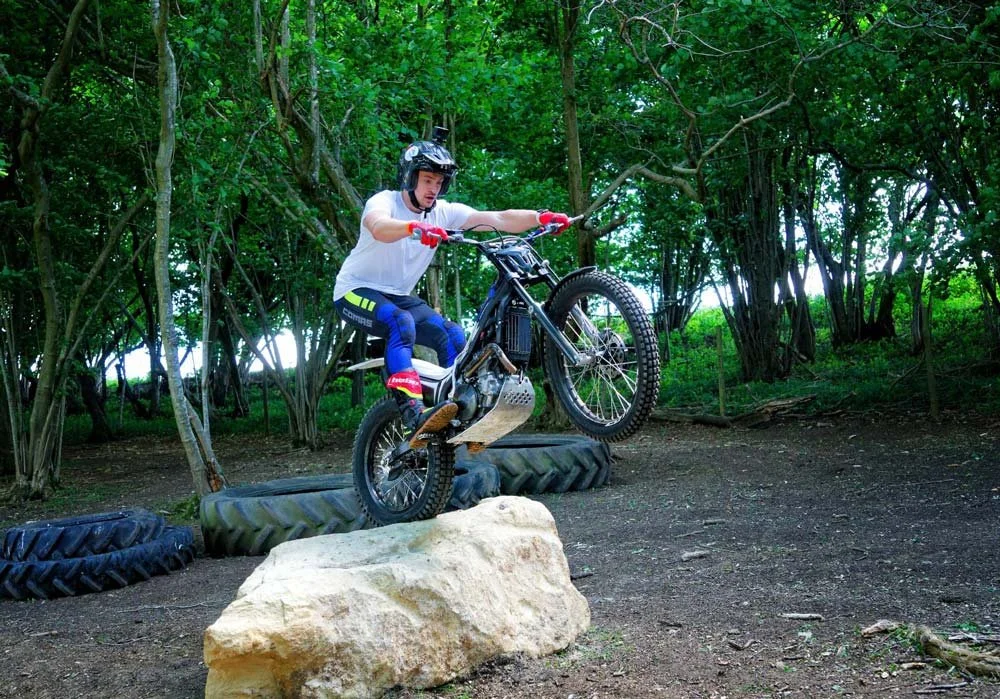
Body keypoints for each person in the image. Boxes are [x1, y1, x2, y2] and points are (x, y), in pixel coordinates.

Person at [334, 129, 570, 448]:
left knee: (454, 336)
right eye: (427, 180)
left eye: (439, 182)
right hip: (354, 291)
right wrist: (413, 227)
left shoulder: (443, 212)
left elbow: (498, 219)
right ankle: (412, 411)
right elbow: (378, 226)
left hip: (399, 296)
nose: (434, 188)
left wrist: (541, 218)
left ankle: (458, 410)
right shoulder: (385, 201)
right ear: (410, 177)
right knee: (400, 323)